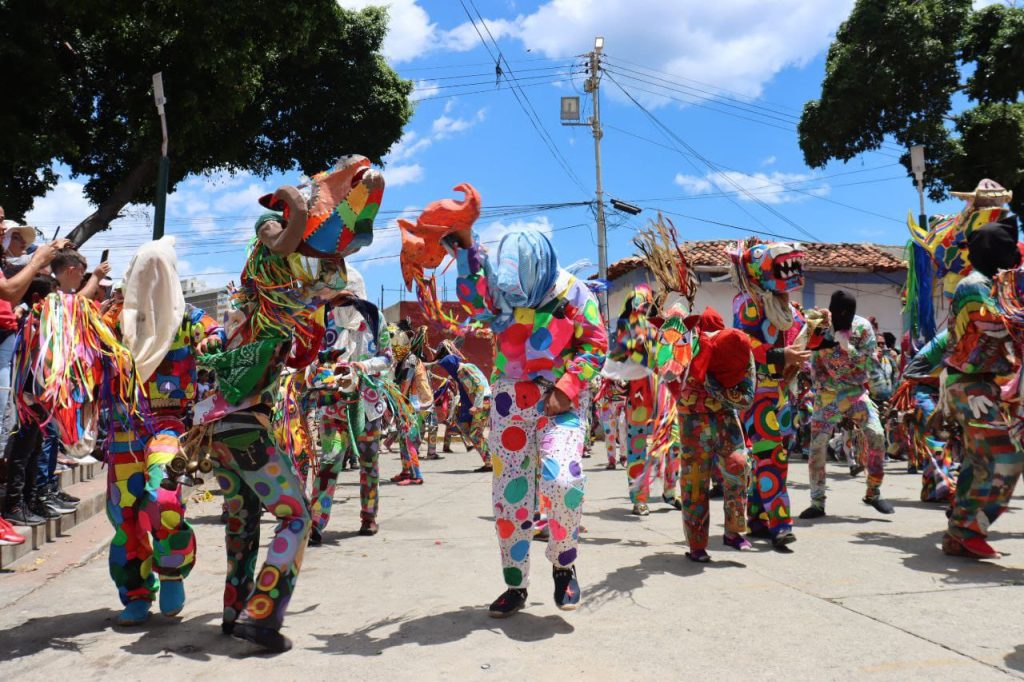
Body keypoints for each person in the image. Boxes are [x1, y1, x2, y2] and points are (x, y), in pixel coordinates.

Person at [192, 156, 384, 651]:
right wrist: (296, 207)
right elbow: (287, 246)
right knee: (296, 516)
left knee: (242, 523)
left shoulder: (256, 314)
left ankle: (233, 613)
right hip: (246, 429)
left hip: (219, 432)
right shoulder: (271, 294)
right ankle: (261, 618)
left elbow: (324, 287)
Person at [448, 228, 607, 617]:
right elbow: (474, 300)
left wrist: (567, 388)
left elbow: (595, 344)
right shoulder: (503, 288)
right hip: (510, 400)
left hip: (560, 398)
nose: (512, 299)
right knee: (510, 497)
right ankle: (515, 585)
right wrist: (466, 249)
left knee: (562, 480)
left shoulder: (573, 293)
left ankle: (563, 564)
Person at [104, 237, 224, 625]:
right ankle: (136, 593)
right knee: (124, 514)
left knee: (164, 499)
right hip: (124, 428)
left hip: (169, 427)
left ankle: (172, 573)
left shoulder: (188, 318)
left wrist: (213, 343)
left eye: (159, 272)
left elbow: (219, 334)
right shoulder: (114, 318)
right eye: (144, 272)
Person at [941, 222, 1023, 559]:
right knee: (1007, 456)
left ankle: (958, 535)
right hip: (969, 386)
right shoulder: (974, 286)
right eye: (1007, 247)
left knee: (978, 461)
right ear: (993, 251)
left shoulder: (995, 284)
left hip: (983, 385)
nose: (1013, 254)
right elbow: (998, 327)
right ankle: (966, 529)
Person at [728, 238, 808, 549]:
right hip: (758, 390)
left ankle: (759, 517)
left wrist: (818, 329)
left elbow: (800, 341)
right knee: (771, 454)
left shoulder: (789, 308)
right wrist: (779, 355)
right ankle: (781, 524)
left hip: (783, 391)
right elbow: (743, 343)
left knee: (776, 454)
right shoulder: (748, 303)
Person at [309, 266, 392, 540]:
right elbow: (314, 357)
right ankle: (316, 521)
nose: (338, 305)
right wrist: (323, 370)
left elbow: (387, 358)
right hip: (333, 405)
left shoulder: (375, 319)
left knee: (369, 462)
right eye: (334, 300)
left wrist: (363, 367)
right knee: (329, 459)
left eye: (344, 299)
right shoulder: (324, 319)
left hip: (368, 406)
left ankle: (369, 516)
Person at [670, 308, 756, 561]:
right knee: (695, 482)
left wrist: (711, 380)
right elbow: (669, 379)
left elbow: (746, 398)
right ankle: (696, 545)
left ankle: (733, 531)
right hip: (692, 422)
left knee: (738, 466)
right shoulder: (684, 350)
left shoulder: (739, 349)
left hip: (725, 418)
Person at [800, 291, 894, 519]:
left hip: (854, 392)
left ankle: (873, 492)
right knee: (817, 446)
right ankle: (817, 502)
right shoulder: (819, 325)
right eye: (839, 313)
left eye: (847, 314)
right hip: (827, 395)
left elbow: (870, 365)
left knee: (877, 434)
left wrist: (848, 348)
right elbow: (803, 348)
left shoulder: (862, 328)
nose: (843, 317)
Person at [0, 237, 72, 530]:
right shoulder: (30, 323)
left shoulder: (46, 324)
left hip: (39, 395)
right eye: (53, 297)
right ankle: (15, 503)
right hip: (27, 396)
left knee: (36, 445)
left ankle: (30, 499)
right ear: (38, 299)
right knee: (23, 448)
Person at [602, 284, 679, 515]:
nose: (641, 307)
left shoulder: (661, 327)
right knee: (637, 448)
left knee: (673, 444)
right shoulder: (626, 330)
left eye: (645, 303)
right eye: (637, 303)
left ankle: (670, 492)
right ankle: (639, 499)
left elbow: (671, 355)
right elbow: (618, 360)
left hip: (664, 396)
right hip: (638, 399)